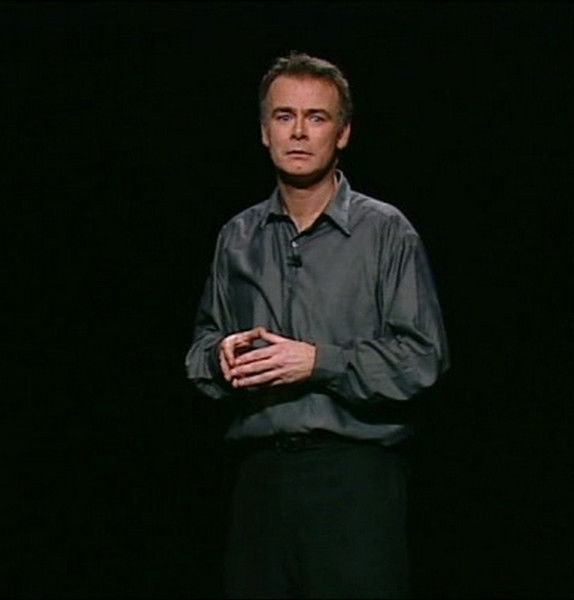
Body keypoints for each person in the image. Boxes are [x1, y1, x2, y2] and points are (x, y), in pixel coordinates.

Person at [186, 52, 449, 599]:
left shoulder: (386, 232)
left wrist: (317, 361)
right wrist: (220, 355)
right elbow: (200, 351)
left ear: (343, 133)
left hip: (354, 482)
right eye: (284, 116)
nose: (300, 132)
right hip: (259, 481)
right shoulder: (237, 237)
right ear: (265, 132)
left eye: (317, 117)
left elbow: (422, 359)